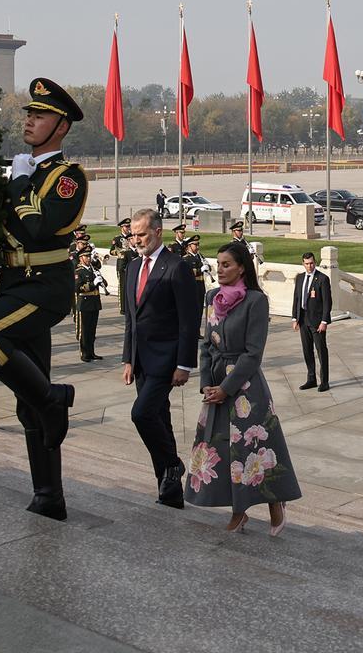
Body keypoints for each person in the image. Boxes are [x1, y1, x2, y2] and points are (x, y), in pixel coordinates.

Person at [0, 77, 89, 521]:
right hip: (14, 284)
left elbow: (38, 228)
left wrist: (18, 185)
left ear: (62, 126)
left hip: (45, 288)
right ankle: (49, 495)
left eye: (41, 115)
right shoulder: (22, 170)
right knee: (26, 401)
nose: (30, 121)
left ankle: (55, 398)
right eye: (28, 114)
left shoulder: (66, 178)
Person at [185, 242, 301, 535]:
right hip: (216, 387)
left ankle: (275, 501)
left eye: (226, 265)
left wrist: (227, 387)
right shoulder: (212, 297)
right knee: (221, 447)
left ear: (241, 268)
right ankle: (239, 509)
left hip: (246, 388)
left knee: (253, 448)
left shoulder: (255, 301)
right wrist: (206, 385)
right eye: (218, 264)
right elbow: (206, 344)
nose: (220, 269)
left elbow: (253, 353)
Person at [118, 208, 201, 510]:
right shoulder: (131, 269)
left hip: (165, 361)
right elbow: (131, 320)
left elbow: (188, 321)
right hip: (140, 360)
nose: (135, 239)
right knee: (160, 422)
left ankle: (173, 463)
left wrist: (184, 364)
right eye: (133, 234)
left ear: (157, 232)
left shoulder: (175, 267)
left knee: (141, 414)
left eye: (141, 234)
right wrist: (128, 359)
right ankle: (170, 492)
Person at [291, 251, 332, 392]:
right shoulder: (300, 278)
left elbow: (327, 302)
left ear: (315, 262)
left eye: (312, 263)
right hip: (303, 319)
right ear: (303, 264)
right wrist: (294, 318)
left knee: (321, 350)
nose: (309, 266)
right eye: (307, 263)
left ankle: (324, 381)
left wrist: (324, 321)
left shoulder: (322, 279)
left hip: (317, 320)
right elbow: (296, 298)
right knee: (307, 350)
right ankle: (311, 378)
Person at [74, 247, 103, 362]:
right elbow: (77, 288)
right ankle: (84, 353)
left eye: (89, 256)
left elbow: (103, 282)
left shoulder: (93, 269)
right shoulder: (78, 271)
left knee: (92, 330)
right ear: (81, 258)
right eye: (86, 256)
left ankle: (91, 352)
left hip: (95, 303)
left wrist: (101, 280)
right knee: (85, 330)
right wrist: (92, 284)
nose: (89, 258)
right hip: (85, 303)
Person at [181, 235, 208, 309]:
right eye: (195, 245)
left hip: (200, 289)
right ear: (189, 246)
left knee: (199, 313)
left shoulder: (199, 257)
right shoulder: (185, 259)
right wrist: (200, 270)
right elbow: (187, 273)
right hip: (191, 290)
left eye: (198, 244)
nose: (197, 247)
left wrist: (207, 266)